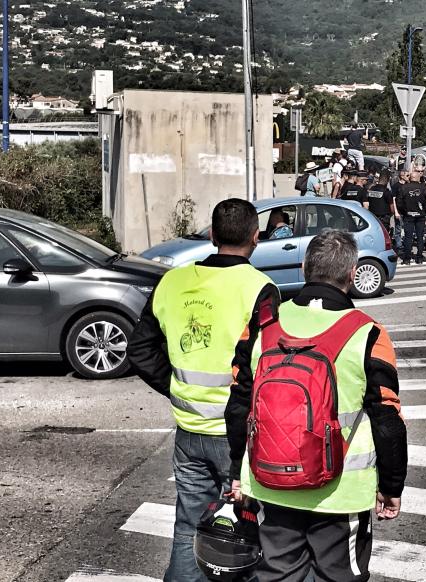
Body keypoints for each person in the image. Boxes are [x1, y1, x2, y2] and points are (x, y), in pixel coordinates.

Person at [227, 230, 407, 582]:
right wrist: (391, 486)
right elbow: (387, 419)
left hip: (270, 482)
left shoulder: (263, 325)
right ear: (353, 274)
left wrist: (237, 474)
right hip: (340, 494)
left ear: (305, 266)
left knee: (275, 575)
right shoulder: (369, 333)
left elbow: (238, 405)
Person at [128, 199, 278, 582]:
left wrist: (176, 386)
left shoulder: (172, 281)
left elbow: (141, 350)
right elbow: (269, 367)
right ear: (255, 238)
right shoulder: (261, 289)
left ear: (212, 235)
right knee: (245, 531)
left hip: (188, 429)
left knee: (188, 524)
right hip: (239, 435)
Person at [396, 168, 426, 265]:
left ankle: (407, 259)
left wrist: (404, 211)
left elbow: (399, 203)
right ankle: (419, 258)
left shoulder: (404, 187)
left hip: (409, 215)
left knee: (408, 237)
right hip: (420, 216)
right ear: (418, 178)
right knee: (420, 237)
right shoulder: (424, 188)